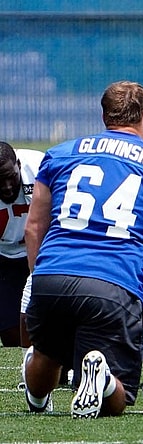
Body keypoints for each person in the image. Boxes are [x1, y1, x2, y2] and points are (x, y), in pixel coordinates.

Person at [22, 80, 143, 418]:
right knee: (118, 399)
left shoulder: (61, 154)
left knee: (46, 356)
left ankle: (35, 399)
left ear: (105, 115)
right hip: (112, 284)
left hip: (51, 275)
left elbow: (34, 227)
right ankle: (103, 379)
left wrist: (41, 278)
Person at [0, 142, 44, 347]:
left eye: (11, 176)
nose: (8, 186)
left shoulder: (40, 167)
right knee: (11, 334)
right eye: (0, 181)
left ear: (18, 164)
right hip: (4, 256)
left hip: (42, 251)